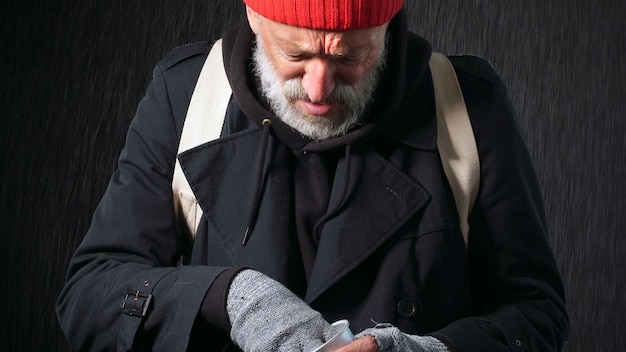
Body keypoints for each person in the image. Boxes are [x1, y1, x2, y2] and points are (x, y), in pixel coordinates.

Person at [56, 0, 569, 351]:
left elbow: (538, 313)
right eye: (296, 54)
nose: (319, 87)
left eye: (350, 56)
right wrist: (234, 298)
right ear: (254, 17)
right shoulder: (186, 93)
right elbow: (88, 295)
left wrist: (421, 350)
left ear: (386, 29)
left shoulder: (470, 102)